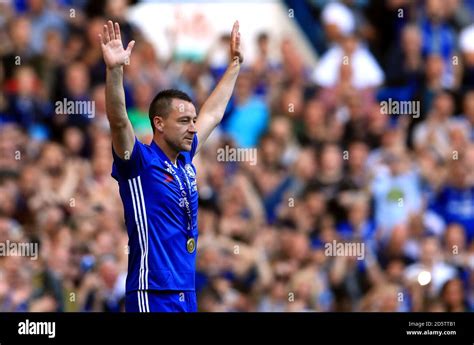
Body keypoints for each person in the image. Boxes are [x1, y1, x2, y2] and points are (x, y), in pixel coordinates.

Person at [99, 20, 242, 312]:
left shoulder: (184, 161)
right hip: (152, 290)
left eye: (192, 120)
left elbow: (213, 113)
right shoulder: (138, 162)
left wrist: (235, 65)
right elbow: (117, 119)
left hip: (186, 291)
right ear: (159, 124)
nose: (192, 127)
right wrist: (115, 71)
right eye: (184, 121)